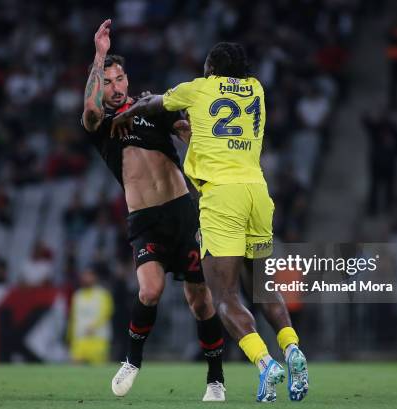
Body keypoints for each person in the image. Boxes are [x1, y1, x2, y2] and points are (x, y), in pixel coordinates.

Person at [112, 41, 309, 402]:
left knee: (223, 296)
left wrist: (128, 114)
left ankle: (265, 363)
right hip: (257, 193)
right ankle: (292, 348)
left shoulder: (198, 88)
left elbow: (152, 104)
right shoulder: (257, 89)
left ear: (212, 68)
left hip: (222, 198)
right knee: (263, 288)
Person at [81, 20, 225, 401]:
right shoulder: (101, 124)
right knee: (150, 290)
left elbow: (185, 129)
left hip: (182, 214)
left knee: (200, 300)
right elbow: (90, 110)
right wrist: (98, 55)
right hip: (144, 221)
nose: (115, 88)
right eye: (108, 81)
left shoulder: (151, 107)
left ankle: (215, 380)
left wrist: (188, 129)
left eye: (119, 79)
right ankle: (132, 361)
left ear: (128, 80)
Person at [68, 267, 113, 364]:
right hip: (80, 338)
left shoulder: (103, 294)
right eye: (85, 276)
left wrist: (93, 327)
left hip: (98, 337)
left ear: (95, 277)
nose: (86, 278)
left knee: (98, 371)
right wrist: (70, 337)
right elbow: (73, 318)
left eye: (89, 275)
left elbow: (106, 313)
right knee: (75, 367)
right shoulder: (77, 295)